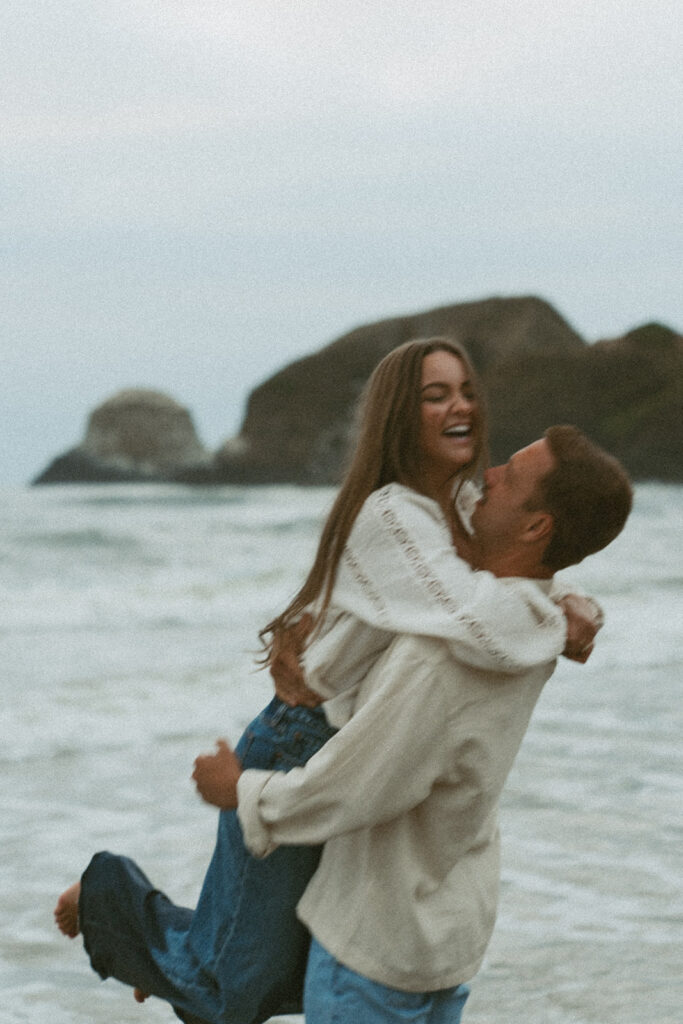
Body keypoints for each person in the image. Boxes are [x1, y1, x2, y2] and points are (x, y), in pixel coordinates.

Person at [54, 340, 598, 1024]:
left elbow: (514, 565)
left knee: (299, 959)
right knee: (235, 989)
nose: (459, 405)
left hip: (361, 745)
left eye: (464, 390)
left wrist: (571, 598)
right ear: (401, 416)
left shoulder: (464, 505)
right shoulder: (391, 516)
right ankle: (109, 904)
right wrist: (560, 616)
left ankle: (170, 958)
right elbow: (474, 612)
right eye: (435, 395)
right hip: (299, 740)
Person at [194, 425, 633, 1024]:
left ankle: (120, 919)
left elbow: (353, 786)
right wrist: (586, 607)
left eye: (512, 472)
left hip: (376, 951)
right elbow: (462, 582)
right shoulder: (540, 624)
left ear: (537, 527)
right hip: (450, 933)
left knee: (233, 973)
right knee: (234, 964)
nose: (491, 474)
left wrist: (240, 791)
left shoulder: (444, 656)